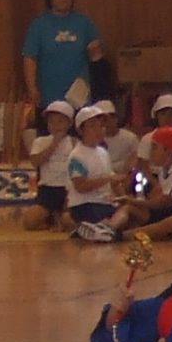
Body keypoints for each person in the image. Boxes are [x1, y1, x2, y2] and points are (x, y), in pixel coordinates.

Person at [20, 0, 104, 112]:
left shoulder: (83, 22)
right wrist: (32, 88)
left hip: (79, 97)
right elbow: (30, 58)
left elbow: (97, 57)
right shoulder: (39, 25)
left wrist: (95, 51)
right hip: (49, 97)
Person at [65, 102, 120, 240]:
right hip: (85, 204)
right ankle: (101, 228)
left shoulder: (103, 152)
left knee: (127, 212)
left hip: (104, 202)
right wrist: (108, 179)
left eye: (101, 126)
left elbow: (112, 180)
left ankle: (103, 228)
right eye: (92, 125)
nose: (98, 130)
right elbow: (81, 186)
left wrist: (122, 197)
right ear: (80, 130)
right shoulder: (76, 156)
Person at [23, 102, 77, 232]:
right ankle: (50, 220)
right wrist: (54, 143)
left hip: (68, 189)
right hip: (47, 190)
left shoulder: (74, 142)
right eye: (52, 122)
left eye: (60, 122)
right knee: (29, 222)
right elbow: (35, 162)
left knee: (69, 222)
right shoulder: (40, 142)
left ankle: (60, 218)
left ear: (69, 124)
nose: (56, 126)